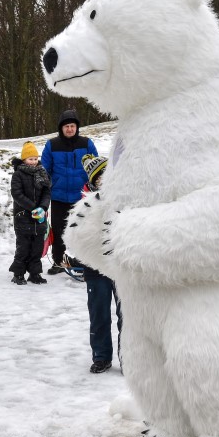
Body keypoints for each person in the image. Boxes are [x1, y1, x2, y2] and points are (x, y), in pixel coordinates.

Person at [77, 154, 123, 374]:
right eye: (99, 177)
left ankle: (130, 358)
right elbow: (77, 235)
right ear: (93, 180)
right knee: (99, 314)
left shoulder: (125, 198)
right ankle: (101, 356)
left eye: (107, 174)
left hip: (121, 267)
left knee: (127, 316)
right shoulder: (84, 205)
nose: (104, 179)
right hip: (96, 268)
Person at [41, 109, 98, 274]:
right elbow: (45, 170)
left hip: (81, 197)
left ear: (77, 127)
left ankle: (84, 263)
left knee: (83, 230)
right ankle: (58, 261)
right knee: (58, 230)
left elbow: (95, 168)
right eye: (66, 126)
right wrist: (46, 186)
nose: (70, 129)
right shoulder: (52, 145)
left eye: (72, 126)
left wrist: (93, 187)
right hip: (58, 196)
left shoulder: (86, 144)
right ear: (61, 128)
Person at [9, 141, 51, 285]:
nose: (33, 161)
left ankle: (35, 274)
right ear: (24, 159)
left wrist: (43, 208)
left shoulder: (42, 173)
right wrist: (33, 207)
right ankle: (18, 274)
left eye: (35, 158)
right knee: (23, 248)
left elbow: (46, 192)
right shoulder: (18, 175)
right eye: (30, 159)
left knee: (37, 248)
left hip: (39, 218)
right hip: (23, 217)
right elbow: (17, 194)